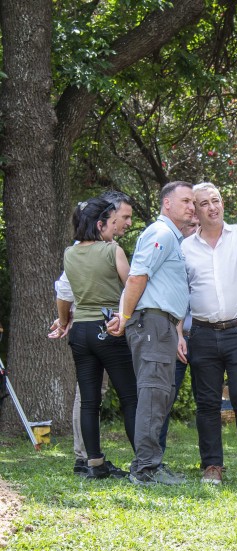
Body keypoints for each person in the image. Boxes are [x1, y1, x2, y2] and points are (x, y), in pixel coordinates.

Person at [181, 183, 237, 486]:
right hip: (203, 333)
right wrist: (179, 332)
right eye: (204, 203)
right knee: (206, 403)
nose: (212, 207)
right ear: (196, 209)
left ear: (223, 203)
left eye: (216, 200)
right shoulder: (185, 248)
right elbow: (181, 294)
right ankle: (212, 467)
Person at [108, 181, 194, 485]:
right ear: (166, 204)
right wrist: (125, 316)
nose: (192, 207)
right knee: (153, 394)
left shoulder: (173, 238)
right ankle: (145, 469)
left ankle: (151, 463)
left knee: (159, 394)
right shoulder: (160, 234)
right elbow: (136, 278)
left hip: (162, 325)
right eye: (185, 201)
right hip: (152, 324)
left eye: (192, 202)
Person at [53, 193, 137, 479]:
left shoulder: (69, 253)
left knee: (89, 401)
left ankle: (95, 463)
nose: (115, 227)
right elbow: (132, 286)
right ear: (101, 223)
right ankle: (144, 460)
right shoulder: (112, 250)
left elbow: (64, 295)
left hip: (81, 332)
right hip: (109, 327)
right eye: (112, 222)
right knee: (130, 397)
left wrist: (64, 322)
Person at [160, 214, 200, 452]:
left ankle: (211, 461)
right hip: (176, 335)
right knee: (165, 397)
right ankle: (155, 458)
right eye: (191, 225)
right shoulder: (173, 253)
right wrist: (178, 336)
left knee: (206, 400)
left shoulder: (209, 254)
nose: (194, 229)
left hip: (203, 335)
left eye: (198, 225)